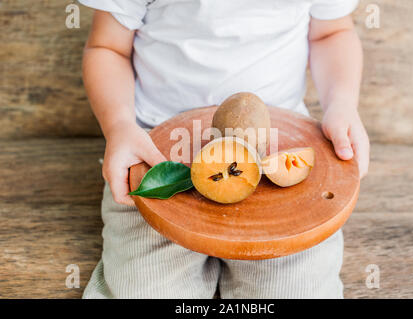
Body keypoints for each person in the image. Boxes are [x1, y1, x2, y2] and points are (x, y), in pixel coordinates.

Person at [79, 0, 370, 298]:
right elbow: (107, 47)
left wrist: (342, 104)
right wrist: (119, 125)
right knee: (144, 290)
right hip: (156, 153)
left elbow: (331, 33)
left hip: (280, 151)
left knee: (297, 290)